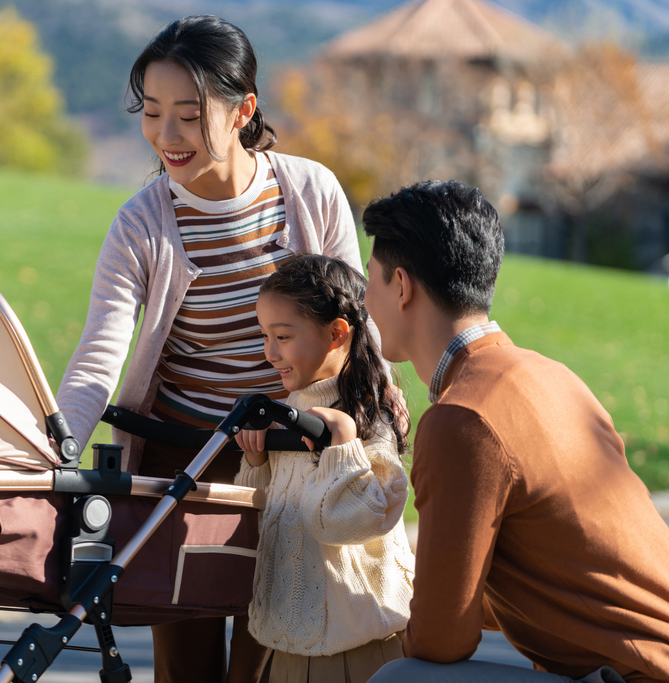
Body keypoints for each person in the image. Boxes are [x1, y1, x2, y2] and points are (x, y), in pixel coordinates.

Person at [56, 15, 365, 683]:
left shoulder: (310, 192)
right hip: (183, 460)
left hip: (289, 456)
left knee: (272, 654)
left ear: (243, 109)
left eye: (190, 115)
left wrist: (363, 429)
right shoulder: (141, 222)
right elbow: (100, 350)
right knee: (185, 665)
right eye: (153, 112)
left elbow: (355, 332)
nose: (167, 136)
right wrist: (50, 453)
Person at [359, 180, 669, 683]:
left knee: (402, 677)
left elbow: (440, 642)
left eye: (369, 280)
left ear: (401, 285)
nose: (365, 300)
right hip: (637, 659)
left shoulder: (463, 418)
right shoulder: (553, 376)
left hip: (634, 674)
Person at [233, 254, 415, 683]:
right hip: (288, 643)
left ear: (336, 334)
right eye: (264, 336)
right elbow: (264, 521)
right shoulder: (288, 413)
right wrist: (257, 462)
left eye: (282, 336)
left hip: (358, 649)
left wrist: (343, 446)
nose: (270, 353)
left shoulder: (369, 417)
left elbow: (348, 523)